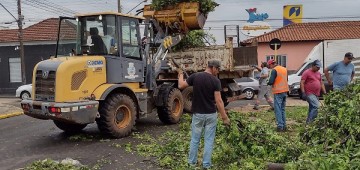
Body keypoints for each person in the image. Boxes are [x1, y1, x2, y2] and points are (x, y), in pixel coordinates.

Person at [178, 59, 231, 169]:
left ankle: (191, 163)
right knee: (209, 140)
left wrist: (180, 74)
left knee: (195, 140)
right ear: (213, 68)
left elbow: (181, 85)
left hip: (198, 114)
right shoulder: (216, 81)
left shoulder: (195, 76)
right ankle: (206, 165)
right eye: (218, 69)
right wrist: (224, 117)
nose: (218, 72)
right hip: (211, 115)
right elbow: (219, 101)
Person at [267, 59, 289, 132]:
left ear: (271, 64)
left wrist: (267, 81)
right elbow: (286, 79)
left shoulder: (274, 70)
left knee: (278, 109)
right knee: (282, 109)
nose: (269, 67)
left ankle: (280, 126)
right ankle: (284, 125)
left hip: (278, 91)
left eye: (269, 66)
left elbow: (270, 81)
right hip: (285, 91)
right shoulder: (284, 69)